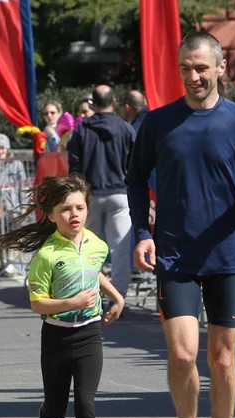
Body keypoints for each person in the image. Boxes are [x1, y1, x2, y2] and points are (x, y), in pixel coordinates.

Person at [125, 32, 235, 418]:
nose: (194, 77)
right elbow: (135, 181)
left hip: (228, 253)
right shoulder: (158, 122)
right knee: (183, 353)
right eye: (186, 69)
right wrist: (142, 233)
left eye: (201, 68)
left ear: (220, 67)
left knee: (223, 359)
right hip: (175, 253)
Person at [0, 175, 124, 418]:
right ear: (52, 215)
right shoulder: (46, 255)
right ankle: (50, 411)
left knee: (86, 403)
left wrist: (116, 297)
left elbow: (93, 269)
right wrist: (71, 303)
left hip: (89, 333)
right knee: (58, 409)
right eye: (65, 209)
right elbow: (37, 303)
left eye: (80, 207)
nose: (74, 214)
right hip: (55, 335)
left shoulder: (97, 243)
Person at [68, 85, 136, 299]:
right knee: (121, 249)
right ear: (114, 102)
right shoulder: (126, 128)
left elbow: (74, 164)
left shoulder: (82, 129)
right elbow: (135, 163)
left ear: (93, 104)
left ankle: (89, 293)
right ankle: (119, 295)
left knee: (87, 248)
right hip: (120, 192)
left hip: (90, 194)